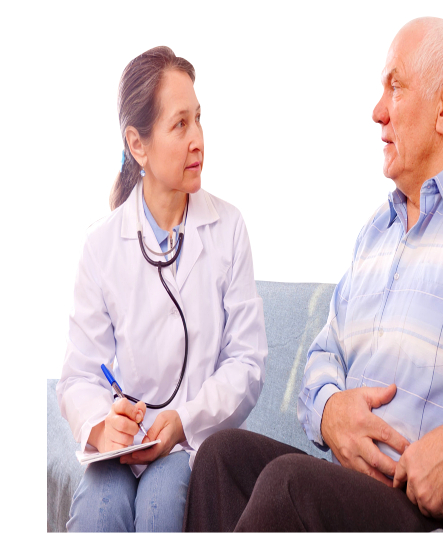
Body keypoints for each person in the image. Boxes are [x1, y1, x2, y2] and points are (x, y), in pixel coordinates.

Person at [184, 17, 443, 532]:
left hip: (428, 507)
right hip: (350, 488)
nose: (377, 111)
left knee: (288, 486)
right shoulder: (374, 235)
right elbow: (325, 355)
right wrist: (328, 411)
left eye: (395, 86)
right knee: (220, 456)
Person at [56, 46, 267, 532]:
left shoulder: (228, 228)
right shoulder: (101, 245)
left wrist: (183, 420)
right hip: (121, 448)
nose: (198, 140)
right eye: (180, 125)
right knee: (98, 508)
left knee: (160, 501)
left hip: (190, 440)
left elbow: (248, 362)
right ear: (138, 145)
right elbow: (79, 376)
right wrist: (102, 424)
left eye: (199, 120)